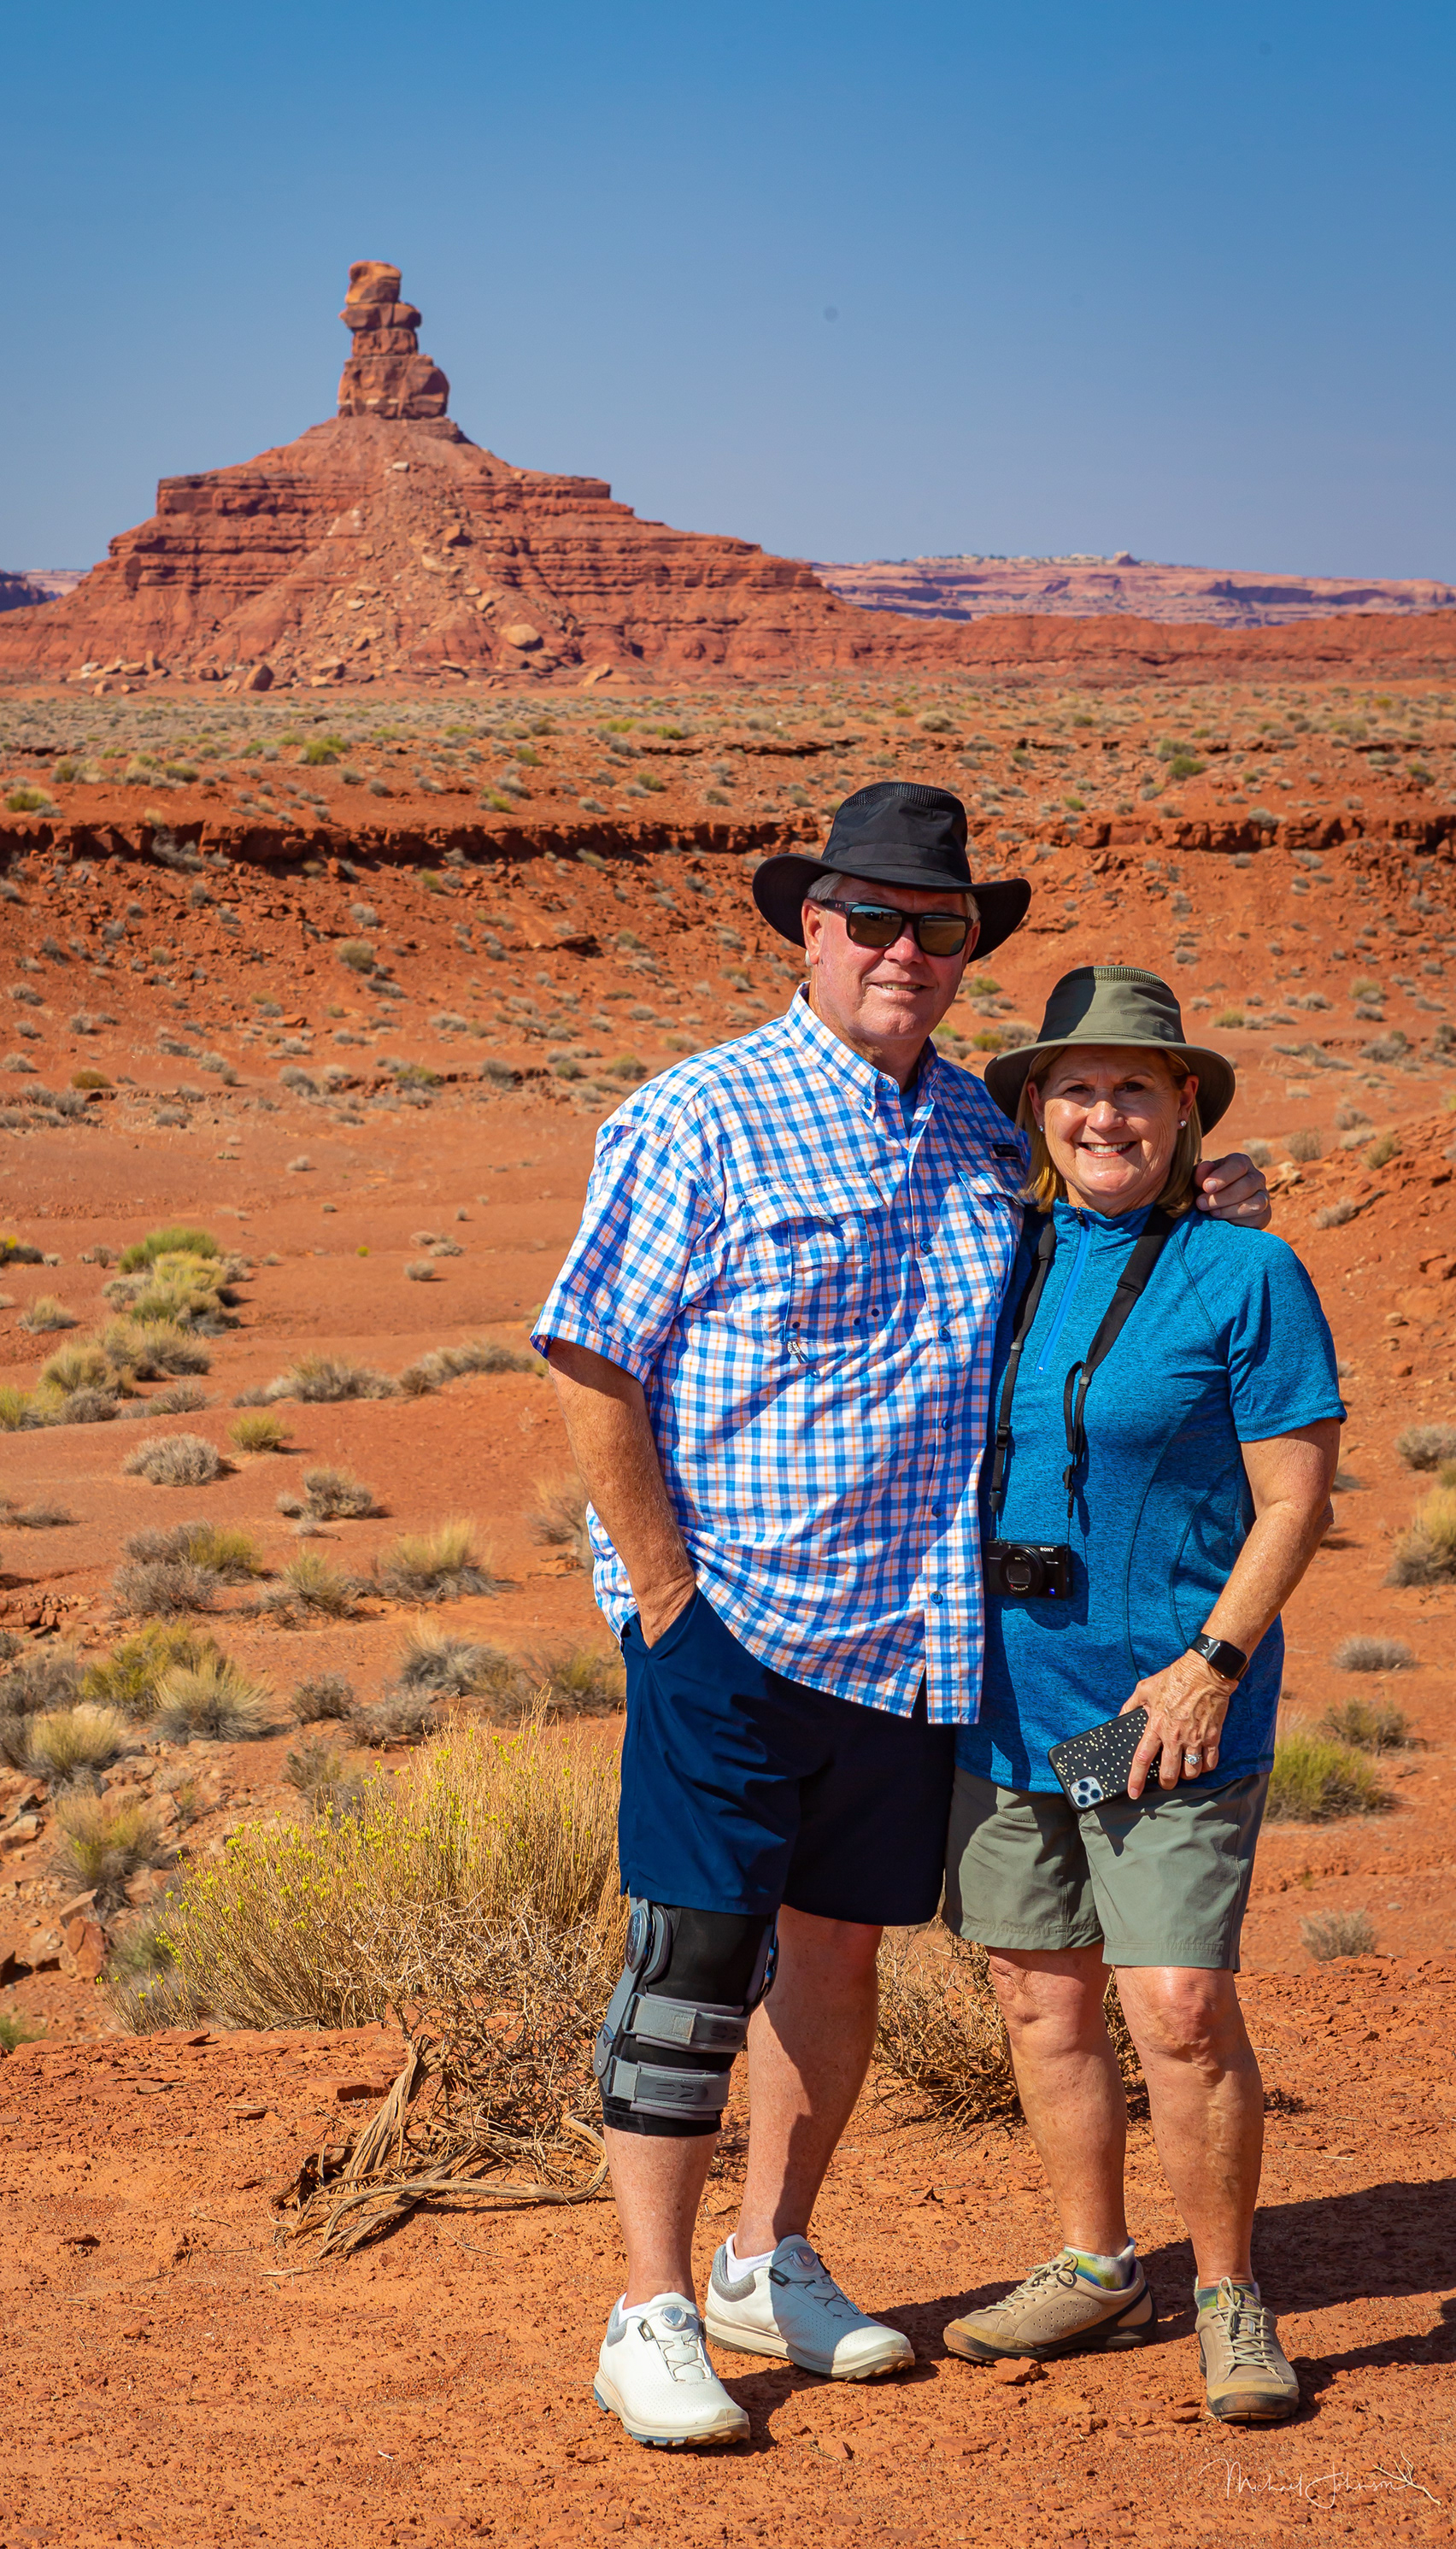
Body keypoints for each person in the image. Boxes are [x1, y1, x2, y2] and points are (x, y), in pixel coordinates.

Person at [532, 784, 1271, 2450]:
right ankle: (645, 2310)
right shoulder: (695, 1117)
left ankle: (766, 2254)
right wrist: (667, 1602)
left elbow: (1094, 1219)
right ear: (809, 927)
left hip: (915, 1644)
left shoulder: (969, 1127)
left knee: (838, 1957)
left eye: (939, 927)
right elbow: (591, 1358)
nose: (906, 951)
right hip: (729, 1629)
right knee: (693, 1954)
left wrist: (1212, 1210)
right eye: (871, 917)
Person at [940, 965, 1342, 2426]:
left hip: (1162, 1701)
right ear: (1037, 1112)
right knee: (1041, 1996)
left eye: (1134, 1085)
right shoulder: (1000, 1255)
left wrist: (1212, 1663)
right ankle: (1097, 2265)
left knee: (1174, 2003)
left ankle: (1229, 2294)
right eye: (1074, 1087)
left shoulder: (1249, 1272)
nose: (1102, 1112)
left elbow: (1296, 1497)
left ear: (1185, 1106)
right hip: (1006, 1695)